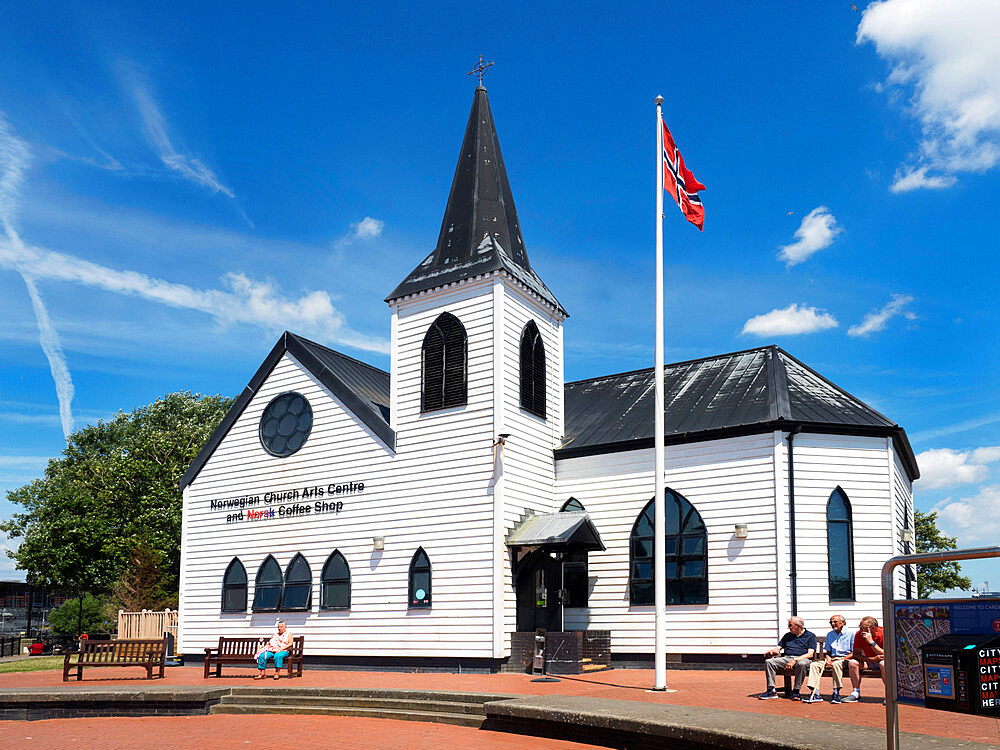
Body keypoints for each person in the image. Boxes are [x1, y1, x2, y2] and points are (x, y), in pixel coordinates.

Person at [759, 616, 817, 700]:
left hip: (802, 659)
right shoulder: (787, 636)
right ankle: (771, 690)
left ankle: (796, 691)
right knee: (769, 662)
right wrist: (772, 652)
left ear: (798, 626)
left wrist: (795, 660)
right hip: (787, 658)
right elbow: (778, 649)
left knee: (802, 664)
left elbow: (810, 654)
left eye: (790, 625)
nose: (788, 627)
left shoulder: (810, 636)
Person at [803, 614, 855, 703]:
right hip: (833, 658)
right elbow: (828, 652)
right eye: (831, 622)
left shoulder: (851, 634)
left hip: (846, 659)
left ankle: (836, 692)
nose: (832, 624)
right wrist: (828, 659)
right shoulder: (830, 634)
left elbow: (854, 653)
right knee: (814, 664)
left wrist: (840, 659)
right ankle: (815, 693)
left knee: (836, 664)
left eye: (835, 622)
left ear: (843, 623)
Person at [841, 615, 885, 702]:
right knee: (852, 663)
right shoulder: (859, 634)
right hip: (869, 661)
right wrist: (871, 659)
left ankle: (889, 694)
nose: (861, 630)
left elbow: (886, 654)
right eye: (860, 627)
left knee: (883, 664)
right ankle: (856, 693)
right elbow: (856, 654)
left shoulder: (884, 633)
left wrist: (871, 642)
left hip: (884, 661)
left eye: (863, 628)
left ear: (873, 628)